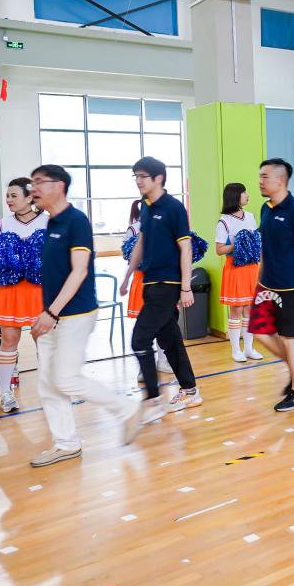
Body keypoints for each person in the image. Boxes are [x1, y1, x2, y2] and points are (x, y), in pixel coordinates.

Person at [27, 165, 141, 466]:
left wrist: (51, 312)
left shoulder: (76, 221)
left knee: (65, 379)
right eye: (32, 183)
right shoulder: (51, 222)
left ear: (59, 186)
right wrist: (46, 313)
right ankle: (66, 443)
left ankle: (126, 409)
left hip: (75, 314)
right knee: (47, 383)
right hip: (52, 315)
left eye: (39, 182)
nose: (33, 188)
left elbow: (79, 272)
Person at [120, 156, 201, 421]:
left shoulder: (174, 208)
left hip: (168, 284)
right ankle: (190, 390)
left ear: (159, 178)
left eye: (143, 176)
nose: (138, 181)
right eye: (135, 176)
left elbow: (186, 247)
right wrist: (128, 275)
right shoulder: (146, 206)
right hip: (150, 281)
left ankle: (153, 400)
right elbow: (141, 242)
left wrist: (186, 287)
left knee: (140, 339)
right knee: (169, 340)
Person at [248, 158, 294, 412]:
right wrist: (259, 279)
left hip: (292, 288)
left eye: (265, 176)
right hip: (267, 286)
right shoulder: (266, 208)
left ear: (280, 180)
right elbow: (266, 248)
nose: (260, 181)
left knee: (289, 338)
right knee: (259, 332)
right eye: (260, 176)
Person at [0, 178, 49, 413]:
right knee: (9, 340)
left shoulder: (48, 221)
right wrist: (11, 256)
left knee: (44, 341)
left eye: (14, 195)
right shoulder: (3, 224)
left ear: (29, 197)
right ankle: (5, 393)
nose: (9, 200)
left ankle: (49, 391)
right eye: (8, 196)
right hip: (10, 289)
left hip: (39, 289)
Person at [123, 201, 173, 382]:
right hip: (141, 280)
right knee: (144, 326)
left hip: (159, 279)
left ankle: (163, 361)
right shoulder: (133, 229)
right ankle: (144, 368)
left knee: (161, 323)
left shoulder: (160, 225)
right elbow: (128, 255)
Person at [214, 182, 263, 363]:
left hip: (252, 268)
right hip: (235, 267)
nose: (247, 195)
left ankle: (249, 348)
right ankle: (236, 350)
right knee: (236, 309)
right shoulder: (224, 222)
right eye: (244, 192)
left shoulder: (250, 216)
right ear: (235, 196)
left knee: (250, 308)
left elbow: (257, 244)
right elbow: (219, 250)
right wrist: (238, 244)